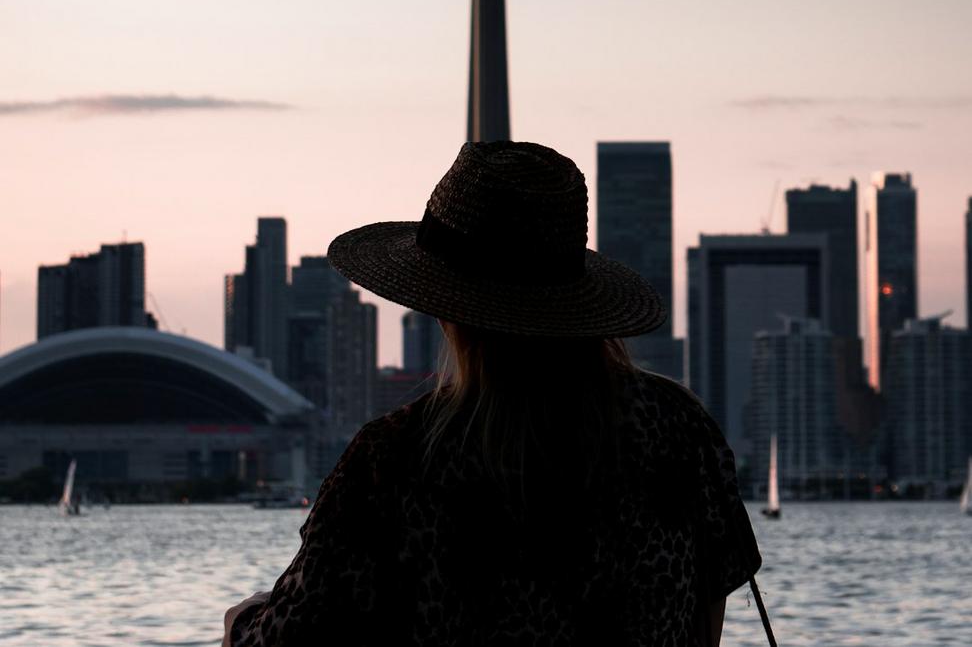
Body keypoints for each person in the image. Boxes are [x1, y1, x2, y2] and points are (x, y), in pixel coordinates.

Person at [223, 141, 762, 646]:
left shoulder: (395, 458)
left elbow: (294, 635)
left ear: (445, 306)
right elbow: (707, 613)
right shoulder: (679, 428)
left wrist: (242, 620)